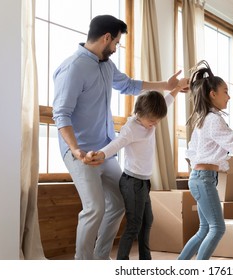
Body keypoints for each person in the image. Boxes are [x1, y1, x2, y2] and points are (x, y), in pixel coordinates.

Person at [52, 14, 182, 260]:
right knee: (94, 208)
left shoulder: (106, 66)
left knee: (120, 202)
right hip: (81, 152)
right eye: (116, 43)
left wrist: (167, 85)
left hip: (105, 150)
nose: (116, 48)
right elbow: (61, 115)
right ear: (106, 38)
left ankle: (101, 257)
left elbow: (130, 85)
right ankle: (83, 263)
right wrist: (77, 151)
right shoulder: (72, 68)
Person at [84, 78, 189, 260]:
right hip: (132, 182)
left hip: (143, 182)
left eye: (157, 121)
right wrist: (101, 154)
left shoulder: (151, 115)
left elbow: (166, 101)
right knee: (134, 225)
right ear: (139, 113)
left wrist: (178, 87)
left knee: (147, 221)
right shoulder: (131, 128)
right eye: (151, 121)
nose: (154, 124)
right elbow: (117, 144)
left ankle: (144, 260)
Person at [177, 61, 233, 260]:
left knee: (204, 230)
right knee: (217, 228)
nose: (229, 96)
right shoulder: (213, 120)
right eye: (225, 92)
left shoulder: (206, 119)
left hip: (201, 178)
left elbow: (228, 142)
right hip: (203, 179)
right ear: (213, 94)